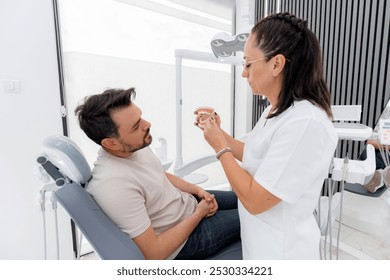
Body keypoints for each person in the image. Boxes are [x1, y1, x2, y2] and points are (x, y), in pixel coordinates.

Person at [195, 12, 338, 259]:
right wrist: (220, 134)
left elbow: (255, 200)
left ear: (276, 64)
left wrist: (220, 148)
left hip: (283, 253)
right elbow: (254, 155)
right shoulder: (277, 109)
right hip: (260, 245)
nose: (243, 73)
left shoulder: (305, 122)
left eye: (248, 64)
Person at [74, 87, 240, 260]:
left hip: (190, 206)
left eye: (140, 117)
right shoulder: (114, 185)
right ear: (111, 143)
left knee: (247, 199)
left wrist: (198, 191)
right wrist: (200, 213)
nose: (147, 125)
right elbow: (154, 254)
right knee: (256, 214)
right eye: (136, 126)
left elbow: (160, 175)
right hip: (186, 240)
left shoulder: (133, 147)